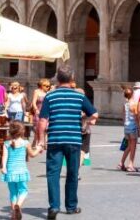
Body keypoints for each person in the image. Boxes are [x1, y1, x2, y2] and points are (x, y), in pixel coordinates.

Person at [38, 66, 97, 220]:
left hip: (55, 139)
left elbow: (43, 120)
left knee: (53, 174)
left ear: (57, 78)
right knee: (72, 173)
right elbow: (94, 114)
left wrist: (40, 140)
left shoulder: (50, 97)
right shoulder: (79, 97)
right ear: (72, 79)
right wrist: (84, 121)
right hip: (74, 140)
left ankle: (54, 206)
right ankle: (71, 206)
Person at [1, 120, 41, 220]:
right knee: (23, 190)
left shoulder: (7, 143)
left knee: (13, 193)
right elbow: (32, 155)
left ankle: (14, 215)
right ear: (22, 131)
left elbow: (4, 156)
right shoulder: (25, 143)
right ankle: (18, 206)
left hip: (10, 172)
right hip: (21, 172)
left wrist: (4, 167)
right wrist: (39, 148)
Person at [118, 88, 139, 172]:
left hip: (126, 126)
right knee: (133, 146)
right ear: (132, 94)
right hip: (133, 126)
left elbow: (123, 116)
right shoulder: (134, 104)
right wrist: (139, 127)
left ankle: (121, 162)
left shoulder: (125, 104)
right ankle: (130, 164)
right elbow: (136, 117)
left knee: (129, 145)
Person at [31, 79, 51, 150]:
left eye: (48, 86)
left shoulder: (48, 93)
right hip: (38, 111)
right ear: (41, 85)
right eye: (46, 86)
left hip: (46, 112)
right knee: (37, 128)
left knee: (46, 128)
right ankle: (35, 141)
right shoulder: (37, 92)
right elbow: (33, 102)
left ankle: (43, 143)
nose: (47, 87)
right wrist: (36, 109)